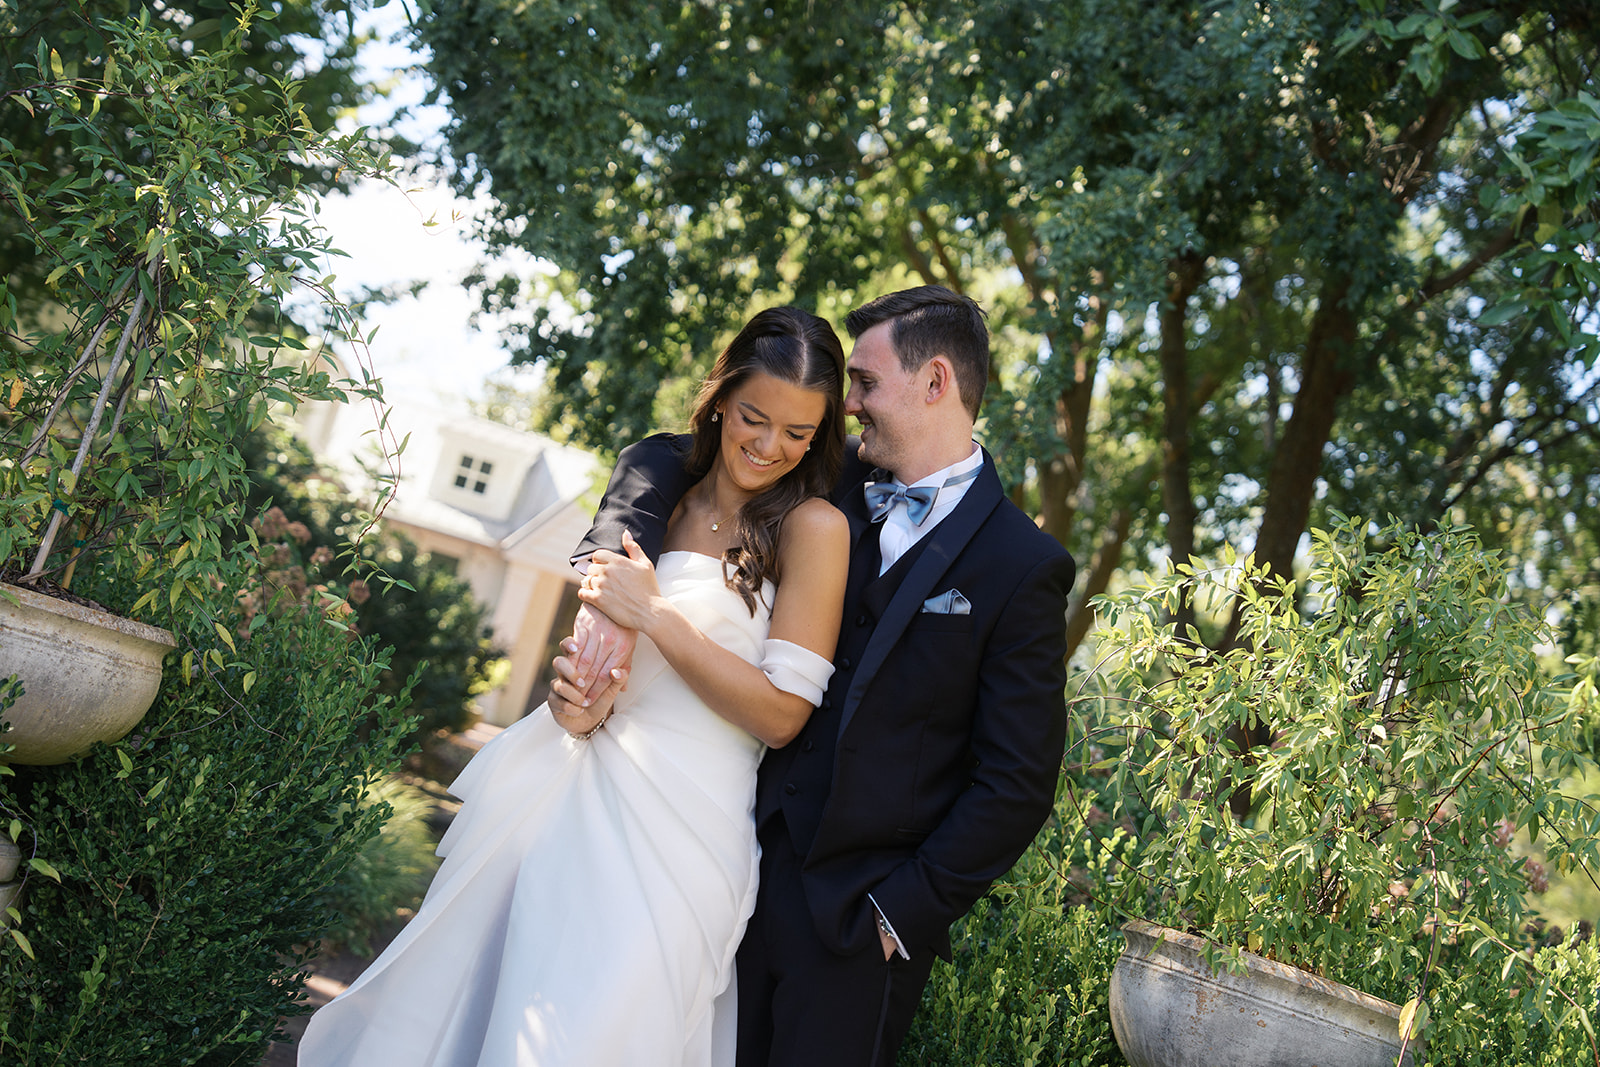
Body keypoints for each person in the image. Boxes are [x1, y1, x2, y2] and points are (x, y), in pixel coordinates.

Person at [297, 305, 851, 1067]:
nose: (769, 446)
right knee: (483, 1016)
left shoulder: (814, 528)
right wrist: (575, 705)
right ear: (722, 397)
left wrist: (656, 614)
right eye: (755, 418)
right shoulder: (660, 502)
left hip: (683, 838)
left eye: (797, 432)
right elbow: (603, 665)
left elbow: (783, 715)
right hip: (564, 795)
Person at [554, 285, 1076, 1067]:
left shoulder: (1022, 564)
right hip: (729, 870)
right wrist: (610, 568)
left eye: (864, 382)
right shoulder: (820, 478)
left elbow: (1017, 779)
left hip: (859, 927)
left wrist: (900, 913)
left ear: (935, 381)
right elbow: (674, 454)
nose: (848, 403)